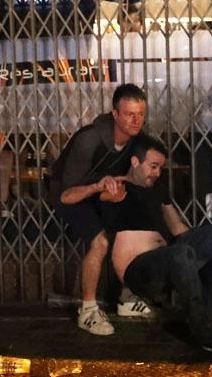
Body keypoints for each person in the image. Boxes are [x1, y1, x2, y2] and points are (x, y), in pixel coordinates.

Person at [68, 134, 212, 357]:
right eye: (153, 166)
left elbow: (178, 229)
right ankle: (208, 335)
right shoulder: (117, 187)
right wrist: (96, 187)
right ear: (135, 162)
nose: (157, 172)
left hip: (169, 257)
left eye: (160, 168)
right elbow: (67, 198)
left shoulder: (158, 190)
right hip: (139, 271)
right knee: (180, 254)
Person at [49, 83, 151, 336]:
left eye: (141, 114)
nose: (136, 120)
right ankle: (88, 310)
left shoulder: (135, 140)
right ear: (115, 114)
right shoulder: (90, 139)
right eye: (129, 114)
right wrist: (98, 188)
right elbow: (66, 194)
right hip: (70, 193)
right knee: (100, 241)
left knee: (133, 225)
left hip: (98, 189)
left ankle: (127, 298)